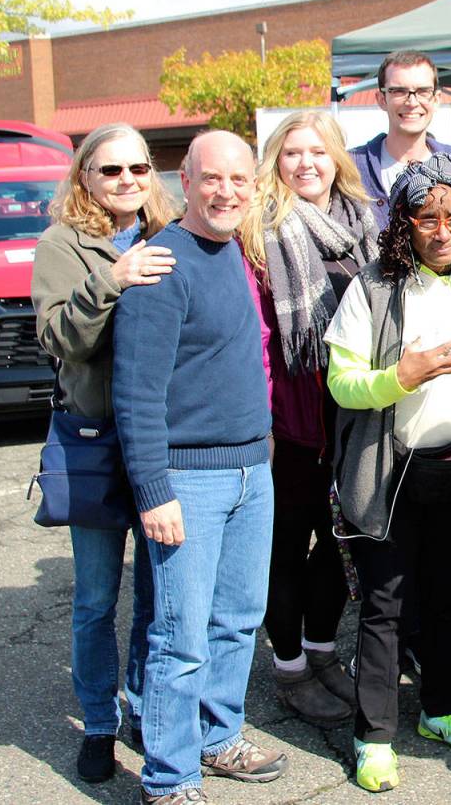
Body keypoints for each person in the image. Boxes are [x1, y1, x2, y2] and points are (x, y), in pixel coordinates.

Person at [324, 154, 451, 793]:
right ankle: (373, 736)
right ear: (402, 223)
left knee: (446, 600)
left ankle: (441, 709)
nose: (442, 230)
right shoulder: (375, 288)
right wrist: (398, 378)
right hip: (393, 472)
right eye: (425, 217)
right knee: (384, 606)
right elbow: (341, 382)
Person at [112, 130, 287, 804]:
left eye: (240, 181)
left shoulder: (236, 252)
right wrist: (154, 490)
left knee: (239, 618)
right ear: (184, 179)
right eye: (212, 178)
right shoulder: (161, 263)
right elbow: (137, 392)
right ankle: (169, 777)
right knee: (179, 637)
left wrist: (262, 444)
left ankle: (218, 739)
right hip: (188, 480)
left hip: (250, 472)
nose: (227, 192)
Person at [31, 122, 176, 784]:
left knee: (156, 590)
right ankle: (98, 720)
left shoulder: (169, 235)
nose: (126, 181)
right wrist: (111, 278)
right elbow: (61, 337)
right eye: (110, 170)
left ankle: (146, 709)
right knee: (95, 596)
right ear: (84, 176)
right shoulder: (63, 244)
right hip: (95, 438)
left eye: (137, 168)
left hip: (164, 440)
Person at [240, 110, 379, 725]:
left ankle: (323, 652)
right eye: (293, 153)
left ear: (337, 158)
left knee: (340, 542)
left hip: (353, 415)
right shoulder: (261, 231)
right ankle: (290, 667)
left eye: (319, 152)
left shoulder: (365, 223)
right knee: (288, 547)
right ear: (275, 161)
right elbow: (257, 337)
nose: (307, 164)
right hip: (293, 419)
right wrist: (264, 422)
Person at [351, 50, 451, 229]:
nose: (412, 102)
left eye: (423, 91)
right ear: (382, 99)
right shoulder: (352, 167)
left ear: (436, 99)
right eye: (399, 91)